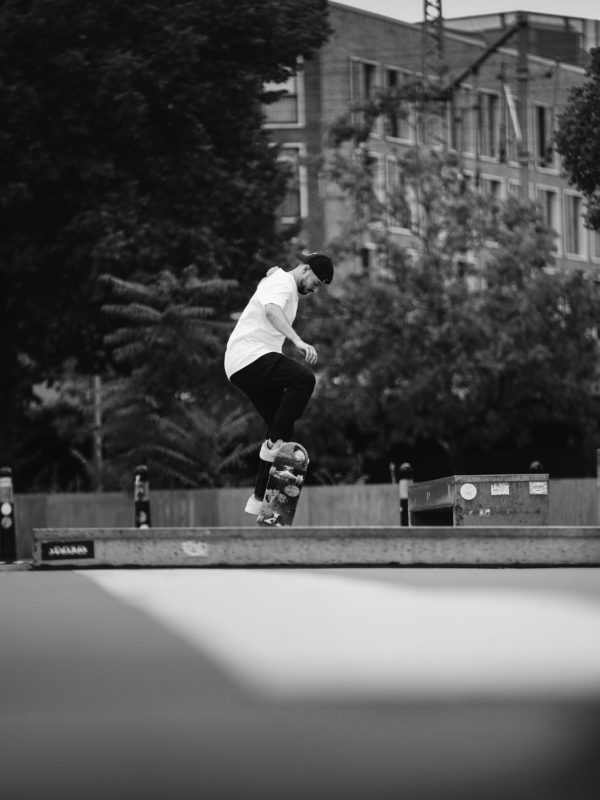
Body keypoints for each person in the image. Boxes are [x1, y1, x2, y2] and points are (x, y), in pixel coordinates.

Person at [224, 252, 334, 515]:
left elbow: (271, 290)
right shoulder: (283, 283)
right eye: (315, 283)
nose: (314, 290)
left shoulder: (281, 283)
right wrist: (297, 341)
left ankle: (259, 498)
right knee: (304, 379)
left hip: (243, 364)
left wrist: (273, 274)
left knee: (281, 429)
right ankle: (274, 445)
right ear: (305, 269)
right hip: (251, 355)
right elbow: (272, 311)